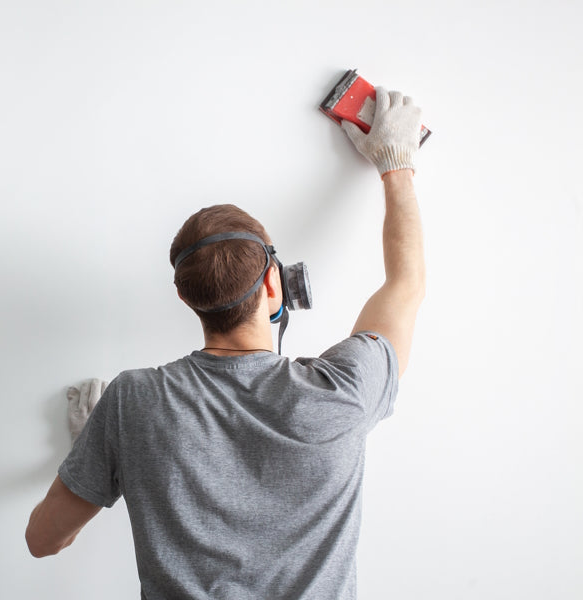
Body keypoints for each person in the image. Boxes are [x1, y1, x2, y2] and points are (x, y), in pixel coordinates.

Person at [25, 87, 426, 599]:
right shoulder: (343, 388)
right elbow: (405, 284)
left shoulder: (134, 401)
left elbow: (42, 541)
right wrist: (397, 163)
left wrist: (101, 451)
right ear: (272, 285)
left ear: (184, 297)